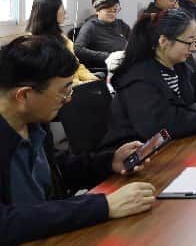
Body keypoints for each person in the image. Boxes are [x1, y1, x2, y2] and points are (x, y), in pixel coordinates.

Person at [0, 35, 156, 244]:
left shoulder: (33, 122)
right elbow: (5, 222)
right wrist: (103, 206)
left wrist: (109, 162)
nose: (69, 99)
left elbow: (55, 169)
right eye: (63, 92)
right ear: (24, 96)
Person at [101, 9, 196, 148]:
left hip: (177, 145)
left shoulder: (179, 67)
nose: (193, 48)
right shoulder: (138, 79)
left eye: (195, 40)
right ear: (164, 41)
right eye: (189, 41)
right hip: (141, 154)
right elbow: (166, 127)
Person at [26, 0, 97, 84]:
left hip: (77, 85)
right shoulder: (33, 43)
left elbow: (76, 65)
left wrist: (92, 79)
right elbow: (53, 80)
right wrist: (81, 84)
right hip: (64, 89)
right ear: (50, 13)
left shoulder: (62, 38)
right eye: (62, 8)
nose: (65, 11)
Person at [74, 0, 131, 70]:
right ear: (97, 11)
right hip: (107, 68)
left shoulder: (120, 24)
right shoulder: (90, 27)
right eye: (108, 11)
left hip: (125, 63)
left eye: (115, 10)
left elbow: (135, 40)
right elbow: (77, 49)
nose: (113, 14)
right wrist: (109, 56)